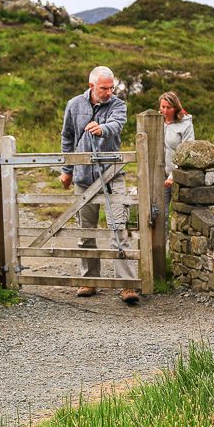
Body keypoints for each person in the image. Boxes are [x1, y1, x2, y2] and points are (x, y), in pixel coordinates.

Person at [60, 66, 139, 303]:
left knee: (119, 228)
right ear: (91, 86)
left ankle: (127, 285)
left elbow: (116, 125)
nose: (108, 92)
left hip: (112, 175)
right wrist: (67, 170)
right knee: (86, 232)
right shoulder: (74, 105)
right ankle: (89, 280)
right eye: (104, 88)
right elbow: (67, 137)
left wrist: (102, 128)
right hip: (83, 178)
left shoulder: (118, 105)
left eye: (111, 87)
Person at [159, 91, 195, 229]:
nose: (165, 111)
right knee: (160, 213)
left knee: (179, 214)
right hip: (160, 174)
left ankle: (174, 247)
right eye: (162, 107)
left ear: (176, 108)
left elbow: (186, 151)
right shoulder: (156, 120)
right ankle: (162, 248)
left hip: (177, 175)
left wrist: (173, 175)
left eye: (169, 108)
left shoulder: (185, 124)